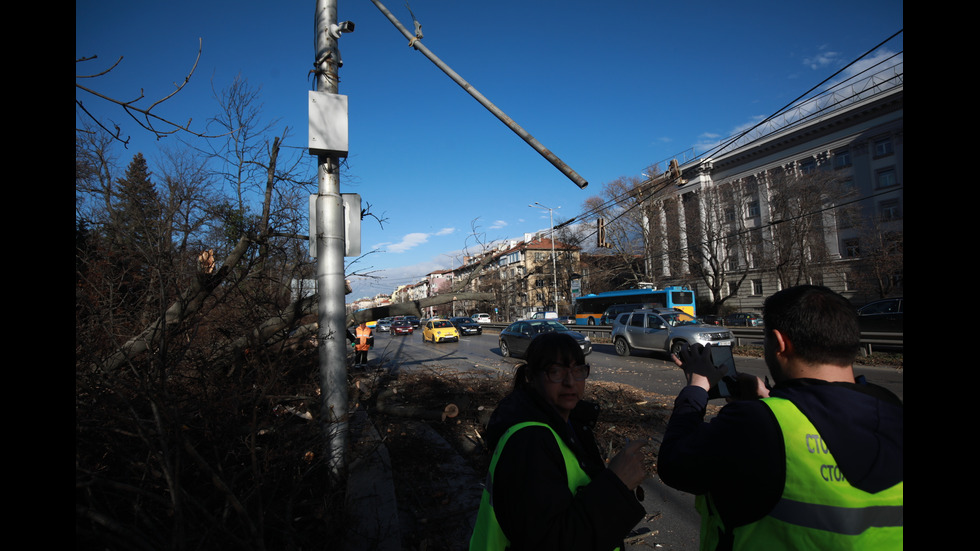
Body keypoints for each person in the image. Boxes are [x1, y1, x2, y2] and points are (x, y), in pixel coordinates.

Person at [658, 285, 903, 550]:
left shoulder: (755, 424)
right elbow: (827, 414)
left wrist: (697, 387)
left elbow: (675, 465)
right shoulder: (890, 407)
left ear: (780, 342)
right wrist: (769, 399)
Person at [469, 332, 646, 551]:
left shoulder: (569, 424)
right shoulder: (529, 442)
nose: (570, 382)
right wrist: (617, 485)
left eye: (578, 370)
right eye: (556, 371)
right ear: (531, 378)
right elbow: (553, 541)